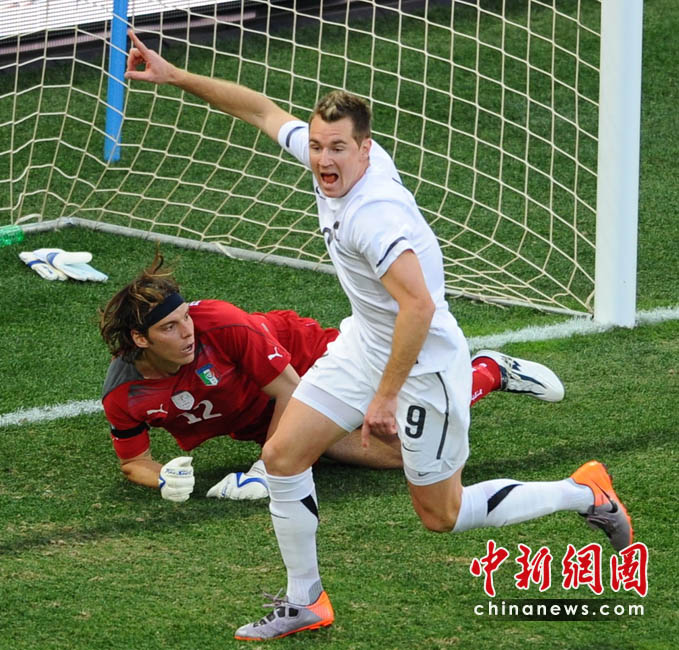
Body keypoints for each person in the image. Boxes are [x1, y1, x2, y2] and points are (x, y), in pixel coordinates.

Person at [125, 31, 633, 641]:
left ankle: (582, 491)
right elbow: (260, 111)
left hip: (423, 363)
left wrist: (386, 398)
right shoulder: (330, 165)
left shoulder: (373, 217)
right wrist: (176, 76)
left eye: (337, 148)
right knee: (282, 456)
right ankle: (305, 600)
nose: (323, 160)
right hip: (364, 343)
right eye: (317, 146)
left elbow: (418, 306)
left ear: (365, 149)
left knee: (442, 514)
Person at [99, 252, 564, 502]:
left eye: (185, 317)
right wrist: (162, 480)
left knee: (414, 424)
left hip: (313, 364)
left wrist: (266, 470)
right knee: (402, 455)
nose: (187, 331)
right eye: (170, 327)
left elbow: (290, 388)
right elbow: (134, 461)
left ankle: (488, 371)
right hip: (270, 416)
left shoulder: (221, 323)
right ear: (140, 340)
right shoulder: (124, 393)